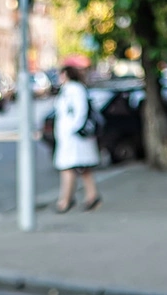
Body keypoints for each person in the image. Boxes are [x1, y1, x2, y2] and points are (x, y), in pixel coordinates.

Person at [52, 65, 101, 213]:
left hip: (74, 137)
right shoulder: (71, 89)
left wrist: (73, 129)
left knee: (68, 167)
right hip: (74, 136)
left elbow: (80, 111)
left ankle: (65, 200)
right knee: (83, 167)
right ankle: (92, 196)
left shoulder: (73, 89)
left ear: (66, 74)